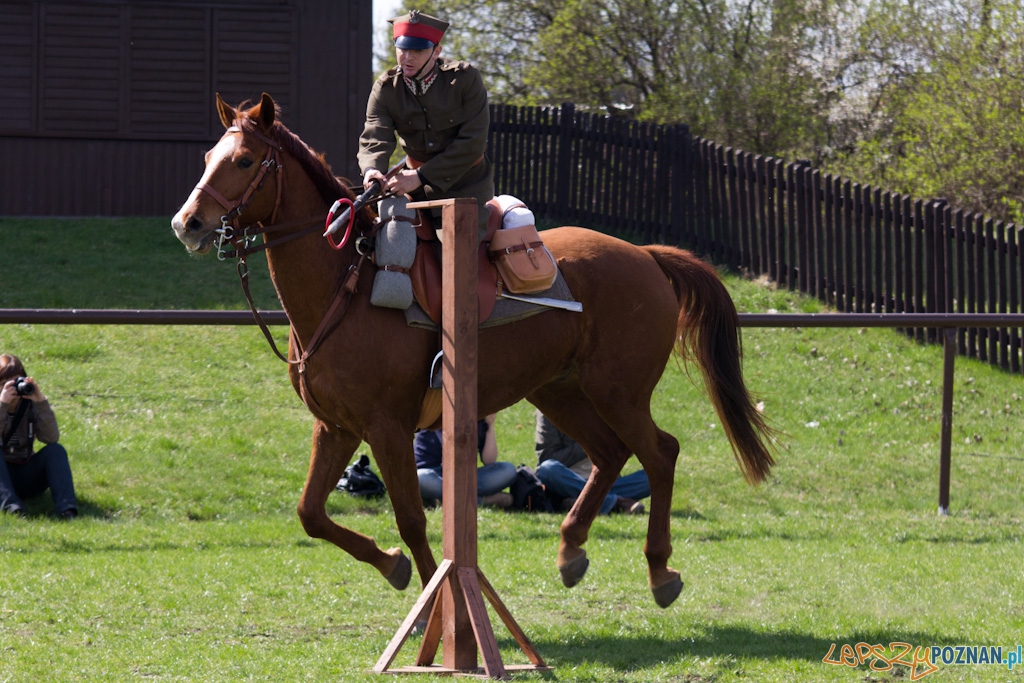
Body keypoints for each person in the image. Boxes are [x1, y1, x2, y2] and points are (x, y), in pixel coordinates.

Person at [357, 9, 494, 242]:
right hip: (413, 190)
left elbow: (473, 143)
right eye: (403, 49)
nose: (408, 57)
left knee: (454, 256)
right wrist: (372, 171)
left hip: (466, 188)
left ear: (436, 51)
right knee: (380, 245)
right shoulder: (386, 89)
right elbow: (375, 136)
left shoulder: (465, 80)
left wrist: (420, 176)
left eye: (418, 51)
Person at [1, 354, 78, 519]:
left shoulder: (30, 404)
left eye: (16, 382)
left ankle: (67, 510)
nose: (12, 389)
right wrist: (2, 405)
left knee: (55, 450)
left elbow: (51, 438)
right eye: (4, 384)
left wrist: (40, 401)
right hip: (2, 478)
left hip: (25, 472)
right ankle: (13, 508)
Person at [535, 410, 649, 515]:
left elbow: (625, 451)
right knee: (547, 469)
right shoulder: (549, 408)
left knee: (659, 474)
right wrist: (588, 444)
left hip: (606, 480)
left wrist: (626, 442)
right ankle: (617, 502)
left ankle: (583, 501)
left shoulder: (606, 403)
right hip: (569, 480)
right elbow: (547, 457)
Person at [414, 413, 516, 508]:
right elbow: (451, 458)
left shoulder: (480, 416)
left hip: (461, 475)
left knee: (508, 469)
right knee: (420, 478)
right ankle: (483, 501)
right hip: (433, 473)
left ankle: (444, 499)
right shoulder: (443, 412)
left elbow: (489, 461)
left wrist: (490, 425)